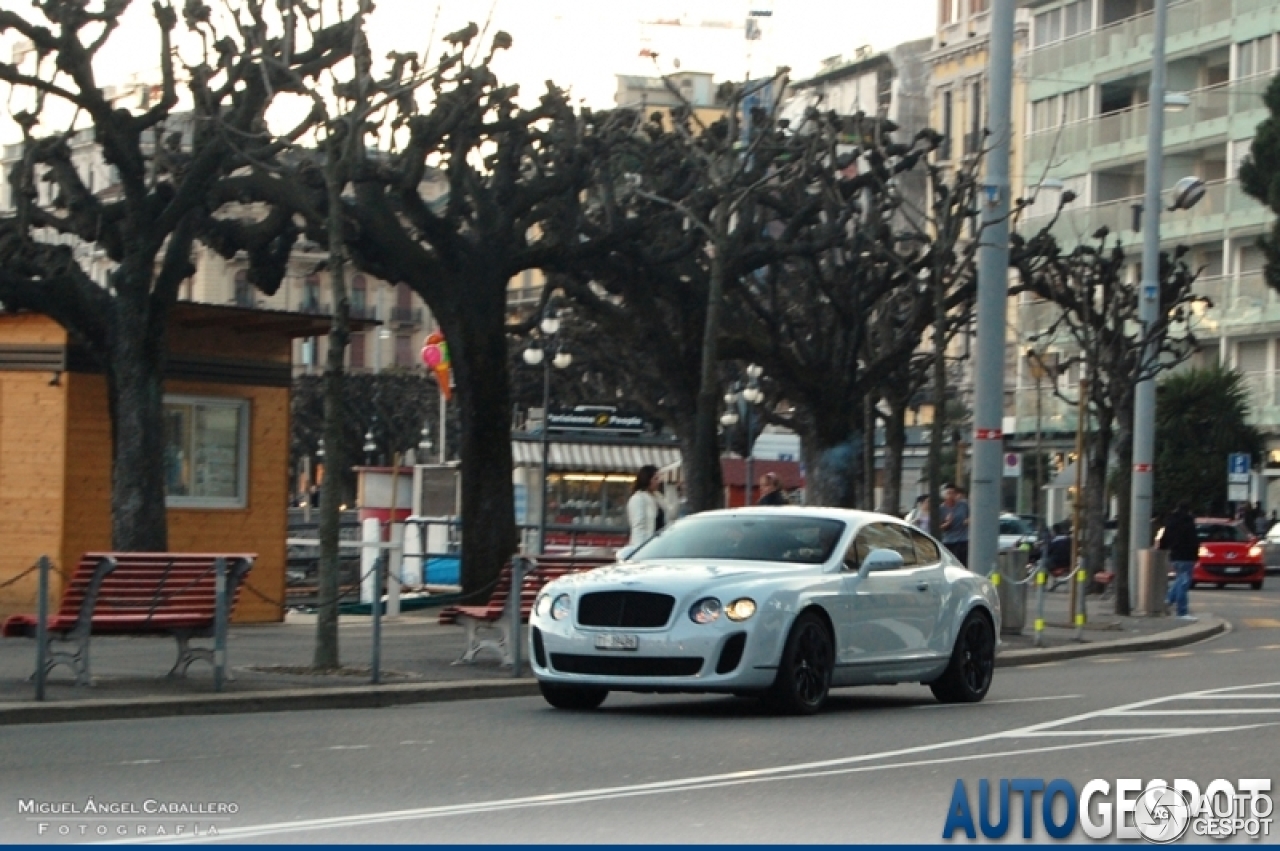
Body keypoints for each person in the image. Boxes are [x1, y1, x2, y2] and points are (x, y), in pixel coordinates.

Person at [1159, 501, 1198, 620]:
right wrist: (1196, 555)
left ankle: (1169, 599)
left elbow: (1164, 539)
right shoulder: (1188, 522)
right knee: (1183, 583)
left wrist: (1163, 548)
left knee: (1180, 579)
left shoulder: (1170, 521)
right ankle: (1182, 611)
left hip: (1174, 555)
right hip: (1187, 555)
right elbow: (1193, 540)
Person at [627, 464, 668, 548]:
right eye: (655, 479)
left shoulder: (658, 497)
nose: (658, 481)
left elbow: (671, 512)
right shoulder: (638, 499)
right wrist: (640, 548)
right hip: (646, 544)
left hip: (660, 543)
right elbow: (639, 526)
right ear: (647, 480)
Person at [939, 484, 970, 567]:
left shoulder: (963, 505)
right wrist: (947, 523)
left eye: (953, 493)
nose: (951, 495)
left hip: (963, 539)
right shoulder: (941, 509)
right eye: (948, 493)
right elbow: (939, 527)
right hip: (948, 540)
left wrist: (968, 520)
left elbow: (971, 516)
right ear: (944, 495)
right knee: (951, 564)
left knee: (963, 563)